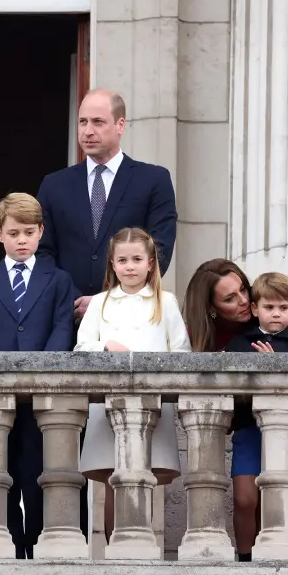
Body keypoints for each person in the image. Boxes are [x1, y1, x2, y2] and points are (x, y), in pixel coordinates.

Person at [36, 88, 178, 536]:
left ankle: (126, 541)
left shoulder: (153, 179)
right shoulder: (55, 184)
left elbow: (161, 244)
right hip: (69, 322)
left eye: (98, 122)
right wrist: (74, 300)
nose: (88, 131)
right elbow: (46, 252)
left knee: (132, 452)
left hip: (131, 321)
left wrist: (108, 298)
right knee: (69, 438)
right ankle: (66, 539)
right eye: (82, 122)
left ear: (120, 125)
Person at [183, 259, 288, 561]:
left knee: (283, 491)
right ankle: (247, 558)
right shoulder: (230, 340)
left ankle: (280, 552)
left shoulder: (287, 325)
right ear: (212, 307)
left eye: (244, 290)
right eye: (230, 298)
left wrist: (277, 367)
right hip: (247, 424)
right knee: (246, 497)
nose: (244, 300)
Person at [0, 192, 75, 559]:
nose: (21, 240)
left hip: (43, 400)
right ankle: (8, 545)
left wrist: (42, 374)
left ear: (41, 232)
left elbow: (62, 330)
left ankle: (39, 546)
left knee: (39, 474)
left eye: (28, 232)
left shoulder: (59, 279)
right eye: (13, 233)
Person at [74, 227, 187, 543]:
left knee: (144, 478)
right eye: (122, 260)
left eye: (137, 259)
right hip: (108, 403)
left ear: (151, 262)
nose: (130, 266)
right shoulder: (99, 302)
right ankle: (114, 550)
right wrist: (107, 345)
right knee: (114, 479)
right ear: (112, 264)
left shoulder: (166, 302)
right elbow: (81, 350)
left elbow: (182, 354)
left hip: (153, 405)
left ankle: (142, 547)